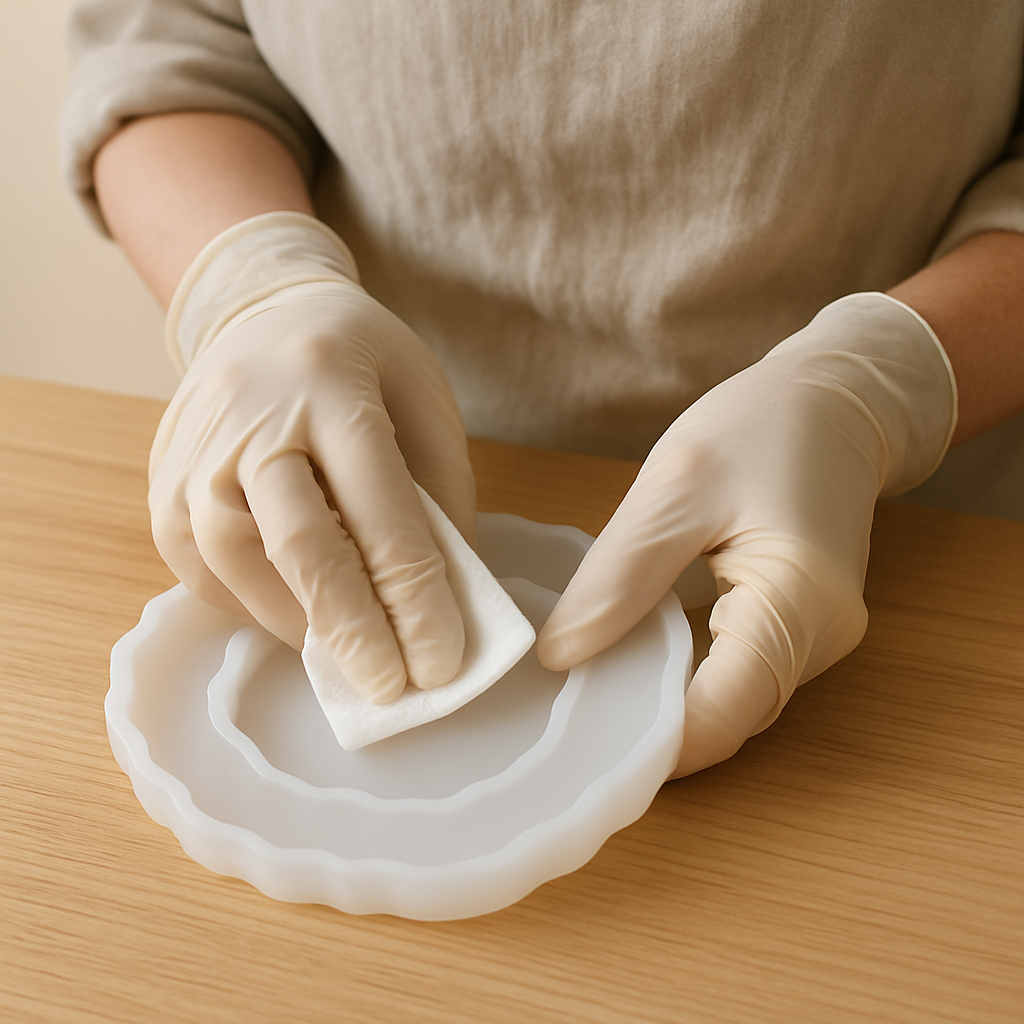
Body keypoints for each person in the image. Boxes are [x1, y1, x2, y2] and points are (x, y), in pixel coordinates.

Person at [60, 2, 1024, 777]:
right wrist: (256, 286)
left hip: (917, 555)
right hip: (392, 484)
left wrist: (871, 388)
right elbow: (171, 41)